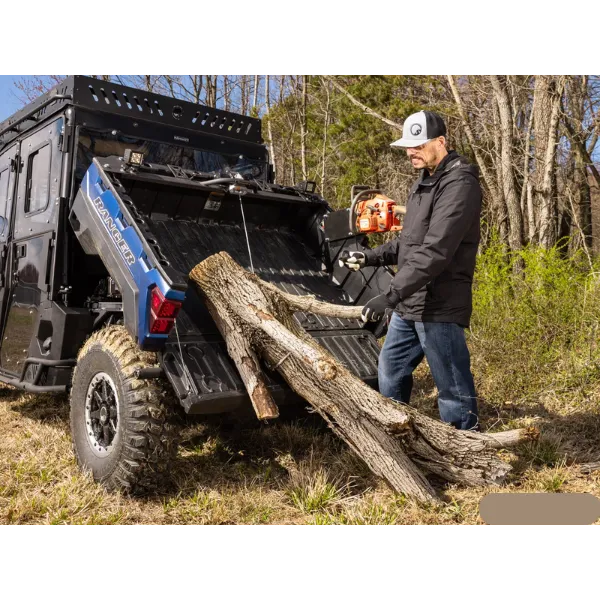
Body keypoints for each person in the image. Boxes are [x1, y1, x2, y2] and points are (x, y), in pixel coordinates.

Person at [339, 110, 482, 431]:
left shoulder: (460, 185)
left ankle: (468, 443)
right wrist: (371, 257)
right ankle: (398, 431)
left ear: (441, 141)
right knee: (390, 369)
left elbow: (436, 250)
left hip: (439, 304)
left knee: (451, 385)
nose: (410, 152)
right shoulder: (425, 182)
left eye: (418, 145)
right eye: (407, 146)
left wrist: (388, 296)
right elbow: (410, 241)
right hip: (410, 303)